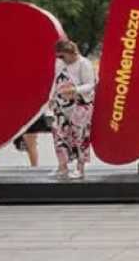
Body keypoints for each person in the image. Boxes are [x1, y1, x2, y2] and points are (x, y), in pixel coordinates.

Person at [48, 39, 96, 179]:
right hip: (61, 104)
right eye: (58, 56)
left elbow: (90, 84)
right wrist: (51, 97)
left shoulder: (84, 64)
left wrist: (75, 90)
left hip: (80, 104)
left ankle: (80, 168)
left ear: (70, 53)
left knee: (79, 136)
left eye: (62, 56)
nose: (61, 59)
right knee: (59, 135)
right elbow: (55, 80)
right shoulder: (60, 63)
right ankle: (62, 166)